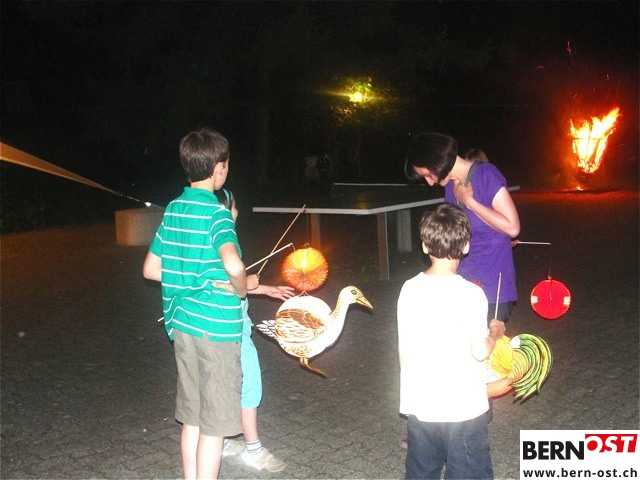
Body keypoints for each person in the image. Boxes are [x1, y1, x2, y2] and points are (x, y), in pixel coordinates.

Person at [142, 128, 252, 479]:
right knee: (214, 425)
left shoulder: (173, 209)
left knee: (192, 417)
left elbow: (150, 269)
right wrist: (239, 289)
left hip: (183, 325)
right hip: (216, 329)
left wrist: (187, 277)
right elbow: (234, 265)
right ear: (219, 167)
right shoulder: (217, 214)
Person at [397, 203, 505, 479]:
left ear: (425, 245)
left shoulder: (409, 288)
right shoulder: (470, 294)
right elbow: (480, 351)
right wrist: (495, 333)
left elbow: (403, 349)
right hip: (463, 407)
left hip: (422, 404)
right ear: (466, 246)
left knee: (421, 473)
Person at [405, 132, 520, 324]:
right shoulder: (450, 186)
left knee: (485, 342)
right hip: (462, 283)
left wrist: (469, 201)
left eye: (428, 175)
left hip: (492, 286)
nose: (430, 182)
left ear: (438, 161)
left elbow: (513, 227)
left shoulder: (486, 175)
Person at [215, 188, 292, 472]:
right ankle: (253, 449)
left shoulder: (211, 239)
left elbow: (232, 284)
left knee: (222, 386)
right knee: (249, 385)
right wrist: (246, 283)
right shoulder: (224, 242)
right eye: (234, 207)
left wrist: (267, 289)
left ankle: (220, 441)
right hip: (232, 329)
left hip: (220, 329)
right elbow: (225, 284)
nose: (237, 212)